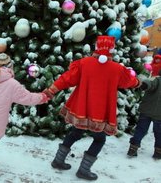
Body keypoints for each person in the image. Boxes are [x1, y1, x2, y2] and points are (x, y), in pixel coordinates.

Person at [42, 36, 140, 181]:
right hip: (100, 112)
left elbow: (67, 78)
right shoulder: (117, 69)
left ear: (96, 47)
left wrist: (51, 90)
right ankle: (84, 170)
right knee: (99, 139)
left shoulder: (83, 63)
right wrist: (138, 83)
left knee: (75, 132)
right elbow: (129, 81)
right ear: (112, 50)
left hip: (81, 107)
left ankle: (58, 160)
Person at [127, 68, 161, 160]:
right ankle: (158, 152)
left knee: (141, 129)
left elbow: (148, 83)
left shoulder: (156, 79)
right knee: (159, 132)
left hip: (146, 110)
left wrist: (144, 85)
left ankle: (133, 149)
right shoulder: (156, 79)